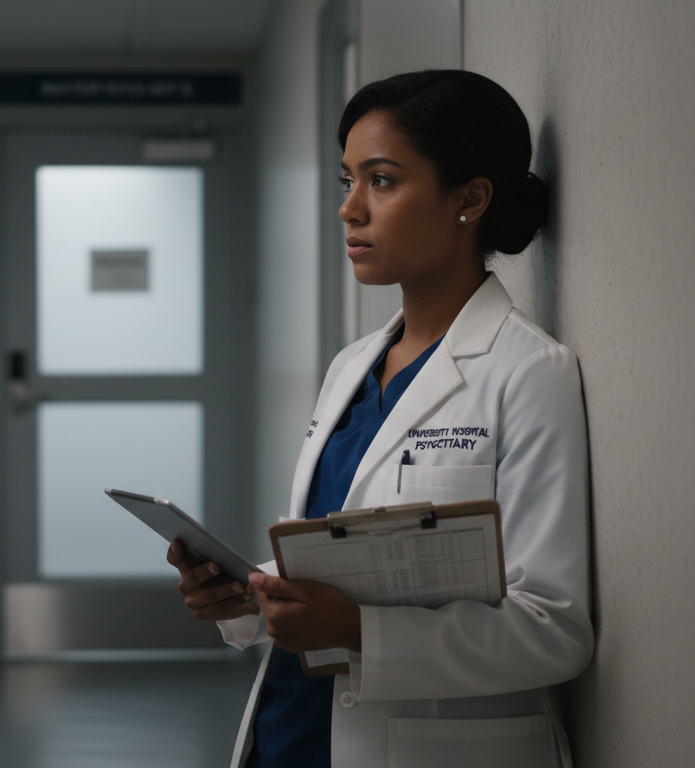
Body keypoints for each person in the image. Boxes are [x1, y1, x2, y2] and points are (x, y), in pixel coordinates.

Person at [168, 69, 592, 768]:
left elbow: (555, 631)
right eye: (348, 181)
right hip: (291, 735)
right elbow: (340, 557)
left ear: (470, 199)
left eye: (382, 181)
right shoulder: (351, 367)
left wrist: (362, 631)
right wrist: (248, 594)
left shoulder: (528, 372)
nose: (349, 209)